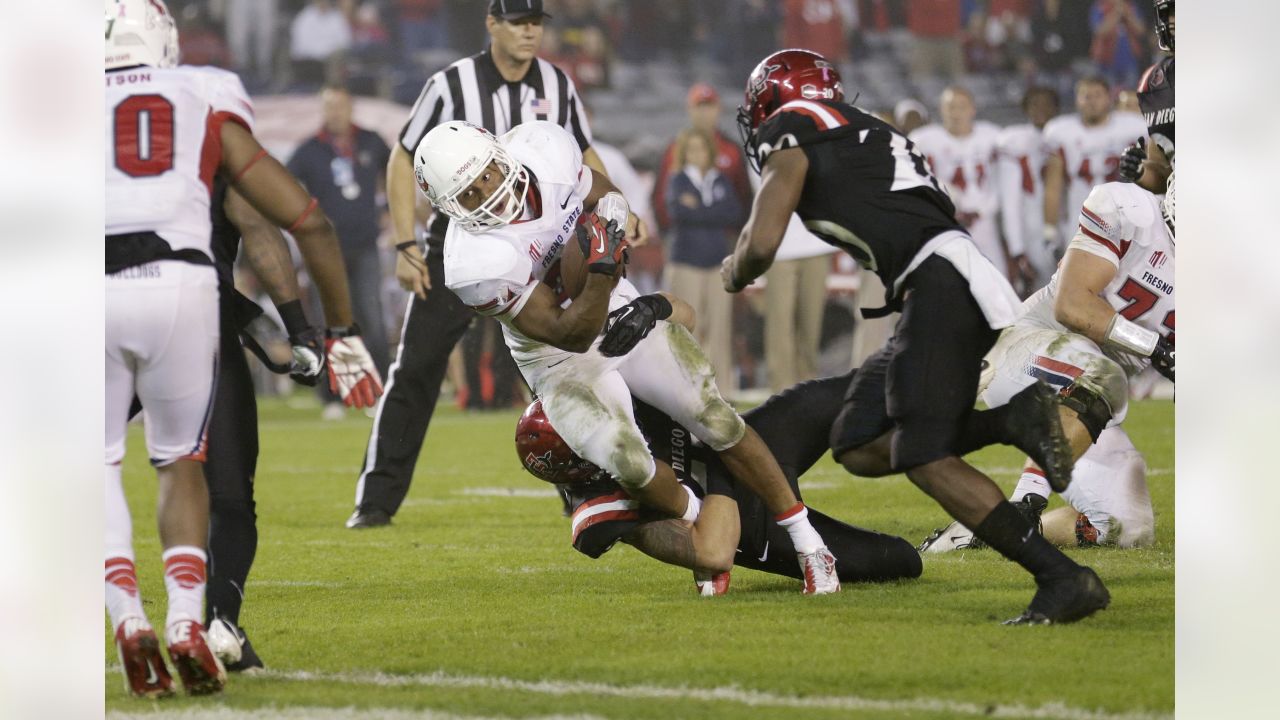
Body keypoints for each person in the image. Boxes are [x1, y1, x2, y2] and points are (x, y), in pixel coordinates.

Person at [724, 49, 1108, 624]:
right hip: (941, 280)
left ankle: (1061, 578)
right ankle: (1012, 420)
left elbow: (762, 239)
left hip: (940, 283)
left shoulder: (793, 126)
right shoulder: (870, 128)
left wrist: (737, 269)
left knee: (923, 456)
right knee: (855, 441)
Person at [413, 117, 842, 594]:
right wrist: (601, 267)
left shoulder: (544, 149)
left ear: (500, 153)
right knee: (630, 463)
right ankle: (700, 519)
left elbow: (601, 191)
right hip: (557, 358)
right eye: (469, 194)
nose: (488, 193)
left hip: (613, 306)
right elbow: (568, 334)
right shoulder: (474, 264)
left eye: (487, 174)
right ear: (449, 208)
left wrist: (614, 215)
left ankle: (809, 543)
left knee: (716, 419)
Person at [104, 0, 381, 697]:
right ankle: (196, 621)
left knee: (88, 465)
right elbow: (288, 223)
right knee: (196, 470)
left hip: (91, 296)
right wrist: (319, 330)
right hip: (191, 299)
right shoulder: (202, 94)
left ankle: (127, 614)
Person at [348, 0, 606, 529]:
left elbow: (584, 153)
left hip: (540, 240)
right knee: (417, 367)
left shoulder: (557, 84)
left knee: (556, 368)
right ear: (492, 24)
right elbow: (403, 156)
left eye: (536, 22)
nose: (530, 32)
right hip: (460, 246)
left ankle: (583, 491)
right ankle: (376, 500)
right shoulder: (451, 83)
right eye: (518, 22)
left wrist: (616, 205)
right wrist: (404, 244)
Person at [921, 177, 1173, 552]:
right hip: (1024, 350)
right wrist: (1156, 348)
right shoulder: (1129, 210)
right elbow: (1072, 305)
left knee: (1127, 528)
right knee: (1104, 375)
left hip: (1092, 400)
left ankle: (989, 532)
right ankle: (1025, 500)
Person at [515, 371, 923, 592]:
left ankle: (970, 399)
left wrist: (653, 311)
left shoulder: (606, 383)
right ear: (584, 465)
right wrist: (721, 451)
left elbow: (681, 327)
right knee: (901, 561)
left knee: (879, 386)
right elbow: (713, 552)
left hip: (753, 444)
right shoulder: (601, 511)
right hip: (744, 520)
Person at [286, 83, 394, 416]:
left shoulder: (371, 141)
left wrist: (390, 209)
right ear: (323, 110)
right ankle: (333, 397)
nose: (335, 112)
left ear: (350, 108)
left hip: (364, 246)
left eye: (340, 105)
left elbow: (396, 173)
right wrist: (302, 221)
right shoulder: (309, 150)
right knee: (329, 322)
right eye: (329, 106)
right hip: (324, 251)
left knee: (372, 318)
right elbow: (283, 185)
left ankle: (375, 392)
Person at [909, 86, 1017, 281]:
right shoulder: (924, 139)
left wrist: (981, 210)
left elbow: (1004, 179)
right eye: (950, 107)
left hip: (983, 221)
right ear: (941, 109)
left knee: (996, 280)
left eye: (961, 106)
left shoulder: (993, 136)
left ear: (972, 109)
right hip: (944, 222)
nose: (956, 113)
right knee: (945, 280)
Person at [663, 128, 744, 388]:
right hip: (687, 261)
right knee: (686, 327)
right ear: (684, 153)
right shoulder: (677, 180)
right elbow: (678, 213)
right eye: (692, 149)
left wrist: (699, 209)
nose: (697, 154)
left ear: (710, 152)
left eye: (702, 148)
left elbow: (733, 213)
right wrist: (712, 212)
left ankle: (722, 387)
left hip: (716, 261)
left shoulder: (719, 180)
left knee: (720, 328)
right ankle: (686, 385)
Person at [1042, 75, 1147, 259]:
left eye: (1098, 95)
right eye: (1086, 96)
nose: (1092, 102)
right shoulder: (1061, 132)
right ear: (1077, 100)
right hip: (1080, 219)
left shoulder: (1134, 127)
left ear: (1109, 98)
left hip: (1126, 218)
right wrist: (1050, 229)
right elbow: (1053, 185)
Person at [652, 84, 753, 243]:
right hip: (683, 239)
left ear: (718, 109)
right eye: (699, 107)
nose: (704, 113)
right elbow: (660, 197)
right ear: (689, 110)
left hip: (725, 238)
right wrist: (667, 234)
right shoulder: (674, 149)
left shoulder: (732, 150)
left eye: (709, 106)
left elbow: (744, 196)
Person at [996, 85, 1061, 294]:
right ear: (1025, 109)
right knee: (1041, 294)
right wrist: (1017, 248)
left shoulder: (1067, 136)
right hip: (1033, 227)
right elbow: (1010, 200)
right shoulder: (1015, 141)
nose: (1040, 109)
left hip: (1068, 222)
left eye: (1046, 104)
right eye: (1035, 104)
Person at [1118, 0, 1173, 194]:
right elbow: (1164, 177)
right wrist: (1140, 171)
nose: (1173, 22)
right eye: (1170, 13)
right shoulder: (1154, 82)